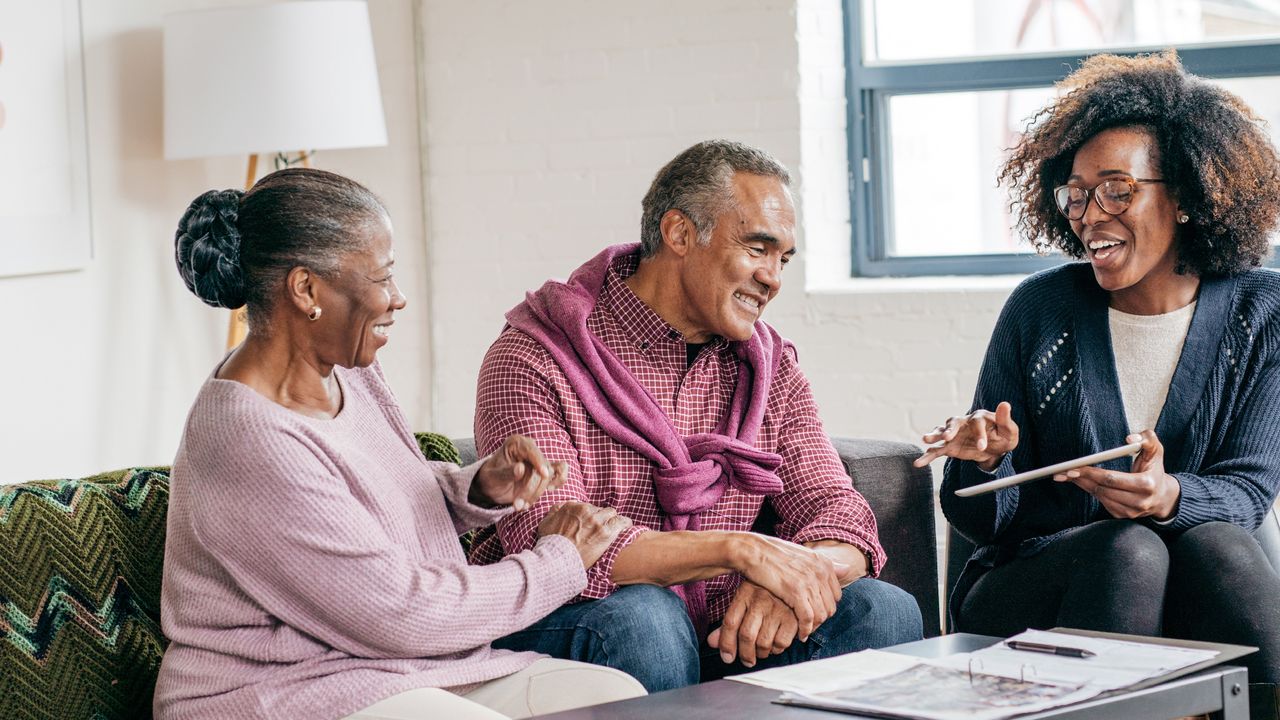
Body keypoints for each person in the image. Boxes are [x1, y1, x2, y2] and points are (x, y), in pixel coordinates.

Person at [156, 168, 645, 720]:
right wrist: (558, 561)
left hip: (399, 672)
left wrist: (478, 486)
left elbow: (368, 498)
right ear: (307, 290)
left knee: (617, 698)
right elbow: (397, 611)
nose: (398, 298)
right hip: (283, 693)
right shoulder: (247, 438)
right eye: (381, 278)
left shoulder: (348, 370)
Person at [469, 140, 923, 692]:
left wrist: (798, 574)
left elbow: (836, 507)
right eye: (758, 249)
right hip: (585, 617)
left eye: (783, 258)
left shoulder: (770, 367)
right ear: (681, 234)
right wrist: (744, 551)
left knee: (882, 609)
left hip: (727, 630)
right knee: (646, 618)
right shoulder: (535, 356)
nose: (773, 278)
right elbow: (553, 544)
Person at [916, 52, 1280, 718]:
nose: (1089, 214)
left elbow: (1249, 491)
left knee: (1218, 543)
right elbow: (983, 517)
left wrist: (1168, 495)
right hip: (1034, 581)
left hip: (1202, 571)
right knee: (1130, 549)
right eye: (1077, 195)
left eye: (1117, 189)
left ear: (1187, 195)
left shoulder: (1264, 312)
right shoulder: (1041, 308)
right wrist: (987, 459)